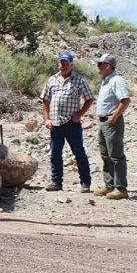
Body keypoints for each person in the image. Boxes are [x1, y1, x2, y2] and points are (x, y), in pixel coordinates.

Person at [40, 52, 95, 192]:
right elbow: (45, 100)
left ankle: (85, 183)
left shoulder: (79, 80)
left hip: (72, 123)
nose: (63, 65)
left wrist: (80, 114)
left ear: (71, 65)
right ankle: (56, 182)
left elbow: (89, 98)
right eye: (61, 62)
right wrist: (46, 119)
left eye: (66, 63)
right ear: (59, 63)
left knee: (79, 152)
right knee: (55, 154)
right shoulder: (51, 80)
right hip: (55, 124)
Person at [93, 54, 131, 200]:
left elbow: (125, 100)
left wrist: (114, 116)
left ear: (108, 65)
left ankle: (120, 188)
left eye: (100, 64)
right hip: (104, 122)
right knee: (105, 155)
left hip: (111, 122)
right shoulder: (106, 81)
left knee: (116, 155)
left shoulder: (116, 80)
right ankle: (109, 185)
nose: (98, 67)